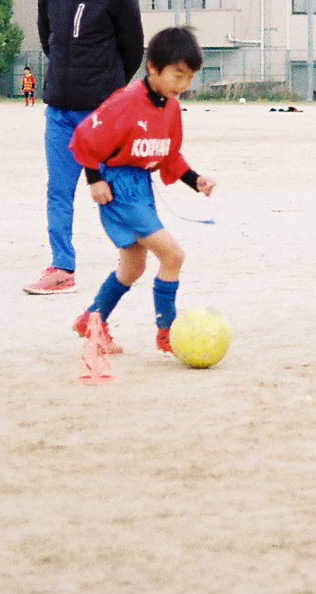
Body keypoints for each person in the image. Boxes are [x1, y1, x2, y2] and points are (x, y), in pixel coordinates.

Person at [67, 27, 216, 355]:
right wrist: (94, 179)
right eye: (178, 75)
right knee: (173, 255)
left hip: (142, 188)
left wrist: (196, 180)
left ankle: (92, 320)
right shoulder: (125, 102)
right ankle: (168, 333)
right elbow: (85, 138)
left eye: (189, 77)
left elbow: (170, 155)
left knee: (133, 267)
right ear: (152, 67)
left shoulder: (172, 108)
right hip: (119, 188)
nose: (184, 85)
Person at [25, 0, 146, 296]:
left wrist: (106, 92)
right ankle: (62, 267)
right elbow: (49, 42)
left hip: (102, 115)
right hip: (59, 113)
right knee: (58, 190)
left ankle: (133, 257)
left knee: (114, 188)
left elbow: (132, 52)